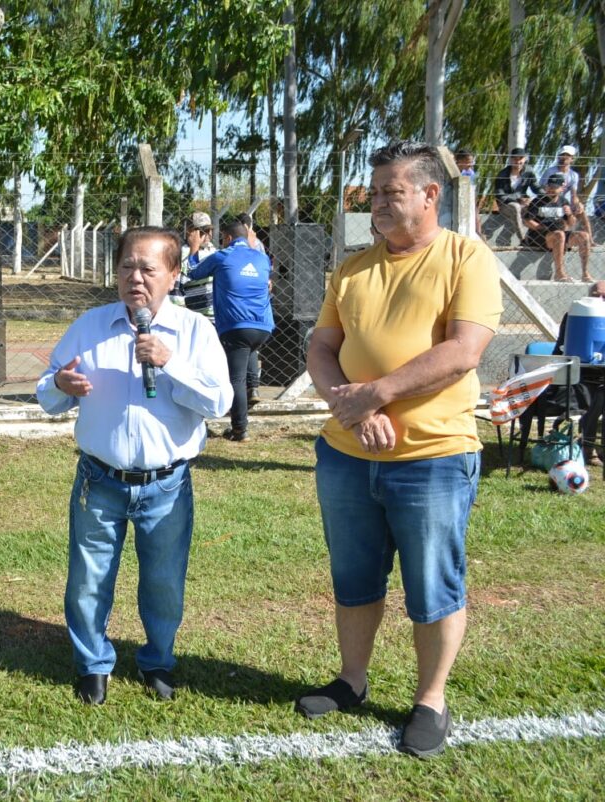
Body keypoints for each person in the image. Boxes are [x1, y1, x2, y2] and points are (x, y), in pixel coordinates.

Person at [299, 140, 502, 759]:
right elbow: (321, 349)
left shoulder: (466, 258)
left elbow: (463, 352)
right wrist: (350, 407)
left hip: (433, 458)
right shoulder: (353, 267)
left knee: (432, 583)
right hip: (346, 453)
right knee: (354, 576)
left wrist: (376, 394)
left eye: (392, 191)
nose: (378, 204)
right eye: (374, 192)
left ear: (429, 194)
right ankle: (352, 680)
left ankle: (430, 701)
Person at [37, 226, 232, 705]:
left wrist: (169, 363)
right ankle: (92, 664)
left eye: (149, 268)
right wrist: (61, 383)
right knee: (88, 578)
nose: (136, 278)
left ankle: (158, 661)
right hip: (99, 479)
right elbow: (46, 395)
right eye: (127, 266)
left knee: (163, 581)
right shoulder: (90, 326)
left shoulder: (194, 332)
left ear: (173, 274)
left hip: (165, 485)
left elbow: (220, 402)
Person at [186, 217, 274, 441]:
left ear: (227, 238)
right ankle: (254, 388)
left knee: (236, 379)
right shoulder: (263, 258)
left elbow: (193, 272)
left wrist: (195, 248)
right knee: (250, 351)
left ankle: (239, 429)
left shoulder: (223, 255)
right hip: (263, 327)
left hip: (236, 326)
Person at [553, 280, 605, 467]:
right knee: (596, 394)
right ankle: (588, 449)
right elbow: (562, 349)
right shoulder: (576, 315)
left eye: (604, 297)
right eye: (595, 295)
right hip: (579, 375)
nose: (600, 299)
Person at [524, 173, 593, 283]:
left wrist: (570, 214)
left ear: (562, 188)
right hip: (539, 235)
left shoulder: (563, 202)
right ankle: (559, 273)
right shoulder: (537, 201)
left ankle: (585, 273)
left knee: (584, 236)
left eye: (555, 187)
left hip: (558, 234)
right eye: (549, 186)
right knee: (559, 234)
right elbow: (527, 221)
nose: (551, 189)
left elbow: (571, 224)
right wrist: (542, 228)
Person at [539, 145, 593, 243]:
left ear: (572, 159)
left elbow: (573, 195)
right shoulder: (550, 171)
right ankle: (565, 239)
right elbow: (542, 189)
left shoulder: (573, 175)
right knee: (563, 216)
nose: (564, 158)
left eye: (567, 156)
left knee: (581, 211)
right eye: (562, 155)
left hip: (562, 202)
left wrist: (577, 204)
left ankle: (590, 240)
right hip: (548, 201)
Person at [493, 148, 539, 240]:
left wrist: (545, 195)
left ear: (525, 159)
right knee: (515, 207)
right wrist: (518, 199)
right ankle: (522, 239)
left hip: (522, 204)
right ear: (510, 159)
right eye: (515, 158)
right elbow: (500, 196)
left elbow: (536, 187)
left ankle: (536, 238)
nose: (518, 161)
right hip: (506, 205)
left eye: (520, 158)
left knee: (537, 206)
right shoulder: (502, 174)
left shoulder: (529, 172)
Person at [179, 211, 216, 314]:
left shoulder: (213, 250)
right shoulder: (184, 251)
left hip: (212, 310)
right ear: (191, 232)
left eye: (210, 230)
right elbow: (188, 273)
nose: (208, 234)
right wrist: (194, 247)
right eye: (204, 231)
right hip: (192, 309)